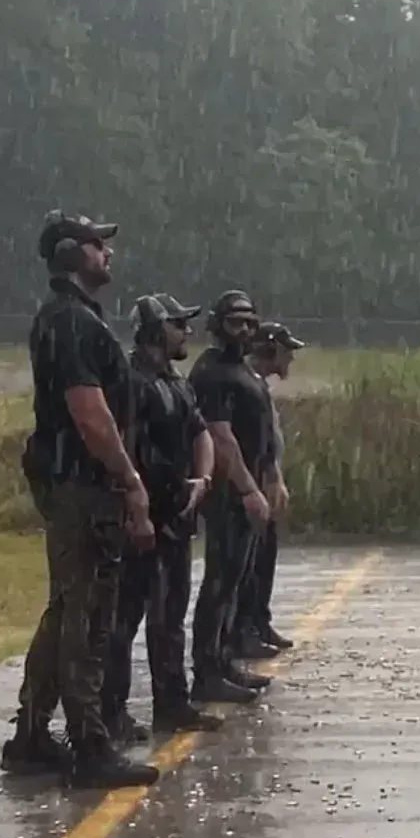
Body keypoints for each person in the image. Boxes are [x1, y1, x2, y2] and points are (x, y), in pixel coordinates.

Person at [2, 211, 159, 790]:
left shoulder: (68, 319)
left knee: (67, 609)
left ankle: (32, 733)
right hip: (85, 486)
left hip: (71, 480)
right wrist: (129, 478)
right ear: (72, 254)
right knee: (90, 616)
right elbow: (90, 413)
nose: (108, 254)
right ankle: (89, 744)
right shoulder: (72, 323)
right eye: (98, 245)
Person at [102, 295, 223, 738]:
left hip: (178, 512)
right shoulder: (131, 383)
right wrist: (137, 512)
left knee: (170, 617)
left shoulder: (176, 382)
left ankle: (172, 703)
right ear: (154, 330)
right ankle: (110, 712)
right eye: (178, 324)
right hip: (145, 515)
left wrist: (203, 480)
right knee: (125, 620)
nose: (187, 331)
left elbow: (201, 433)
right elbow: (124, 447)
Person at [189, 290, 275, 705]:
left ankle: (222, 661)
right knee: (220, 581)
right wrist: (248, 488)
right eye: (235, 322)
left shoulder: (238, 369)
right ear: (218, 325)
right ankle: (206, 670)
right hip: (228, 493)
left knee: (235, 580)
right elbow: (221, 437)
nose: (243, 329)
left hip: (245, 488)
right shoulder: (212, 373)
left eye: (249, 322)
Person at [233, 320, 304, 657]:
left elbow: (267, 440)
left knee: (264, 558)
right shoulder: (245, 383)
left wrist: (275, 475)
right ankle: (241, 631)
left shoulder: (257, 384)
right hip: (250, 482)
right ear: (270, 350)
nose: (289, 358)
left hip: (264, 477)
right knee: (244, 566)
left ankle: (258, 622)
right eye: (285, 351)